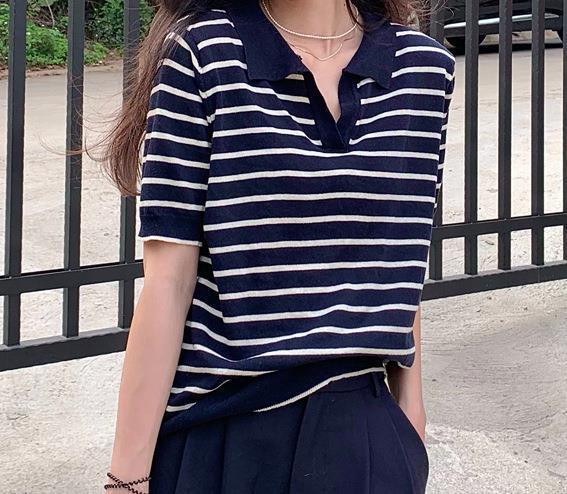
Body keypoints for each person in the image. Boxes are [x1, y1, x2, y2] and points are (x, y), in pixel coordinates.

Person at [100, 0, 456, 492]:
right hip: (224, 429)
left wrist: (410, 411)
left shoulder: (425, 70)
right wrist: (127, 479)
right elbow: (169, 282)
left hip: (364, 428)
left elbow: (400, 254)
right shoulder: (204, 55)